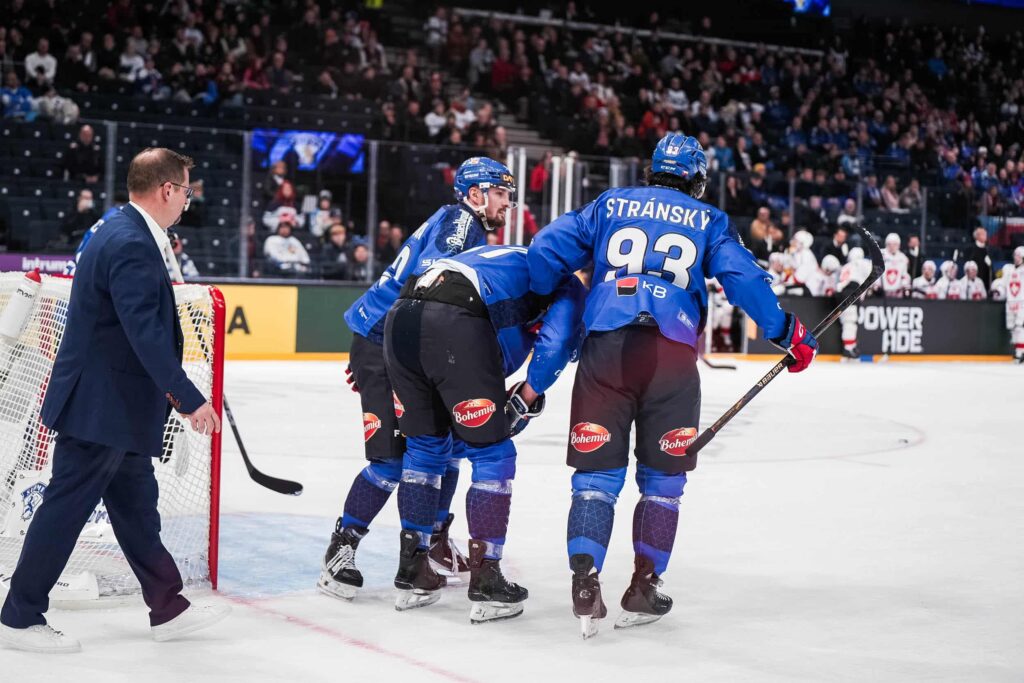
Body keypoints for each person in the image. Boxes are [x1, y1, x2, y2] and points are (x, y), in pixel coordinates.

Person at [526, 134, 818, 638]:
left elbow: (545, 247)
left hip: (606, 350)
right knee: (663, 482)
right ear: (696, 179)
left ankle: (584, 578)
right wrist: (785, 332)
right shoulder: (709, 220)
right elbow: (743, 278)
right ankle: (643, 586)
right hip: (671, 357)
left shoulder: (609, 204)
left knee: (595, 477)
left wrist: (546, 295)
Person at [0, 148, 227, 654]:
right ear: (166, 189)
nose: (188, 201)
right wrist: (189, 399)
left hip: (113, 404)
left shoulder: (118, 226)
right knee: (66, 505)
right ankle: (19, 616)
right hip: (101, 404)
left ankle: (167, 604)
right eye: (186, 191)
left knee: (135, 505)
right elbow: (143, 331)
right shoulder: (130, 241)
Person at [318, 157, 516, 602]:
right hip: (389, 340)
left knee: (441, 447)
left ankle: (432, 542)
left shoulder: (460, 222)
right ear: (475, 194)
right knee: (392, 460)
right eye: (500, 194)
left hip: (403, 339)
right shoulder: (462, 223)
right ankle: (341, 547)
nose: (508, 203)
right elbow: (433, 281)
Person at [384, 244, 585, 619]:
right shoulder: (568, 283)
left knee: (426, 449)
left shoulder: (506, 253)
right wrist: (526, 397)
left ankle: (412, 568)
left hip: (402, 315)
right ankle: (487, 576)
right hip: (455, 320)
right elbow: (556, 343)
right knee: (494, 453)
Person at [64, 192, 129, 275]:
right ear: (79, 198)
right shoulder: (117, 215)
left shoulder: (97, 213)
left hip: (80, 262)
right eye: (85, 198)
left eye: (89, 198)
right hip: (80, 263)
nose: (88, 201)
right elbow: (65, 228)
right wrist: (79, 212)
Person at [838, 247, 874, 359]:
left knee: (848, 321)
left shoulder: (845, 266)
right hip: (851, 291)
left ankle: (852, 345)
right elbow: (873, 274)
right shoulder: (861, 263)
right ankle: (848, 348)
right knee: (850, 321)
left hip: (842, 293)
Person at [997, 247, 1024, 363]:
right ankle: (1018, 351)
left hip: (1022, 302)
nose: (1016, 258)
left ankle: (1020, 353)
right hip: (1010, 302)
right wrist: (998, 291)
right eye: (1015, 255)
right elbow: (1003, 284)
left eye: (1018, 256)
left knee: (1019, 327)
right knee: (1012, 328)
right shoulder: (1008, 269)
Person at [879, 233, 910, 298]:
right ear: (886, 244)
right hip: (881, 291)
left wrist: (904, 286)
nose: (892, 246)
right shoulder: (881, 254)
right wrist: (877, 285)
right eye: (890, 244)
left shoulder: (903, 258)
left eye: (894, 244)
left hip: (897, 292)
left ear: (898, 245)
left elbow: (904, 275)